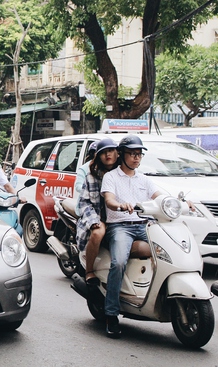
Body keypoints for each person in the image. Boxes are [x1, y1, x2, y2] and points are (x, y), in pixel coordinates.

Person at [101, 135, 164, 339]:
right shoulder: (111, 177)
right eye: (132, 154)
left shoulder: (143, 178)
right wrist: (120, 205)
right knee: (118, 263)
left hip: (145, 225)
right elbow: (109, 200)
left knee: (167, 253)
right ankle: (111, 314)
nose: (136, 158)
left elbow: (160, 196)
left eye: (139, 154)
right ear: (122, 155)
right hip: (120, 226)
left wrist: (180, 202)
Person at [75, 139, 118, 288]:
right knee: (98, 233)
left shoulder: (124, 173)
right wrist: (94, 221)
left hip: (120, 217)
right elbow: (85, 203)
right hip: (99, 215)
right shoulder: (91, 175)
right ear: (98, 156)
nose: (108, 155)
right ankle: (89, 271)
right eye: (104, 152)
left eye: (111, 151)